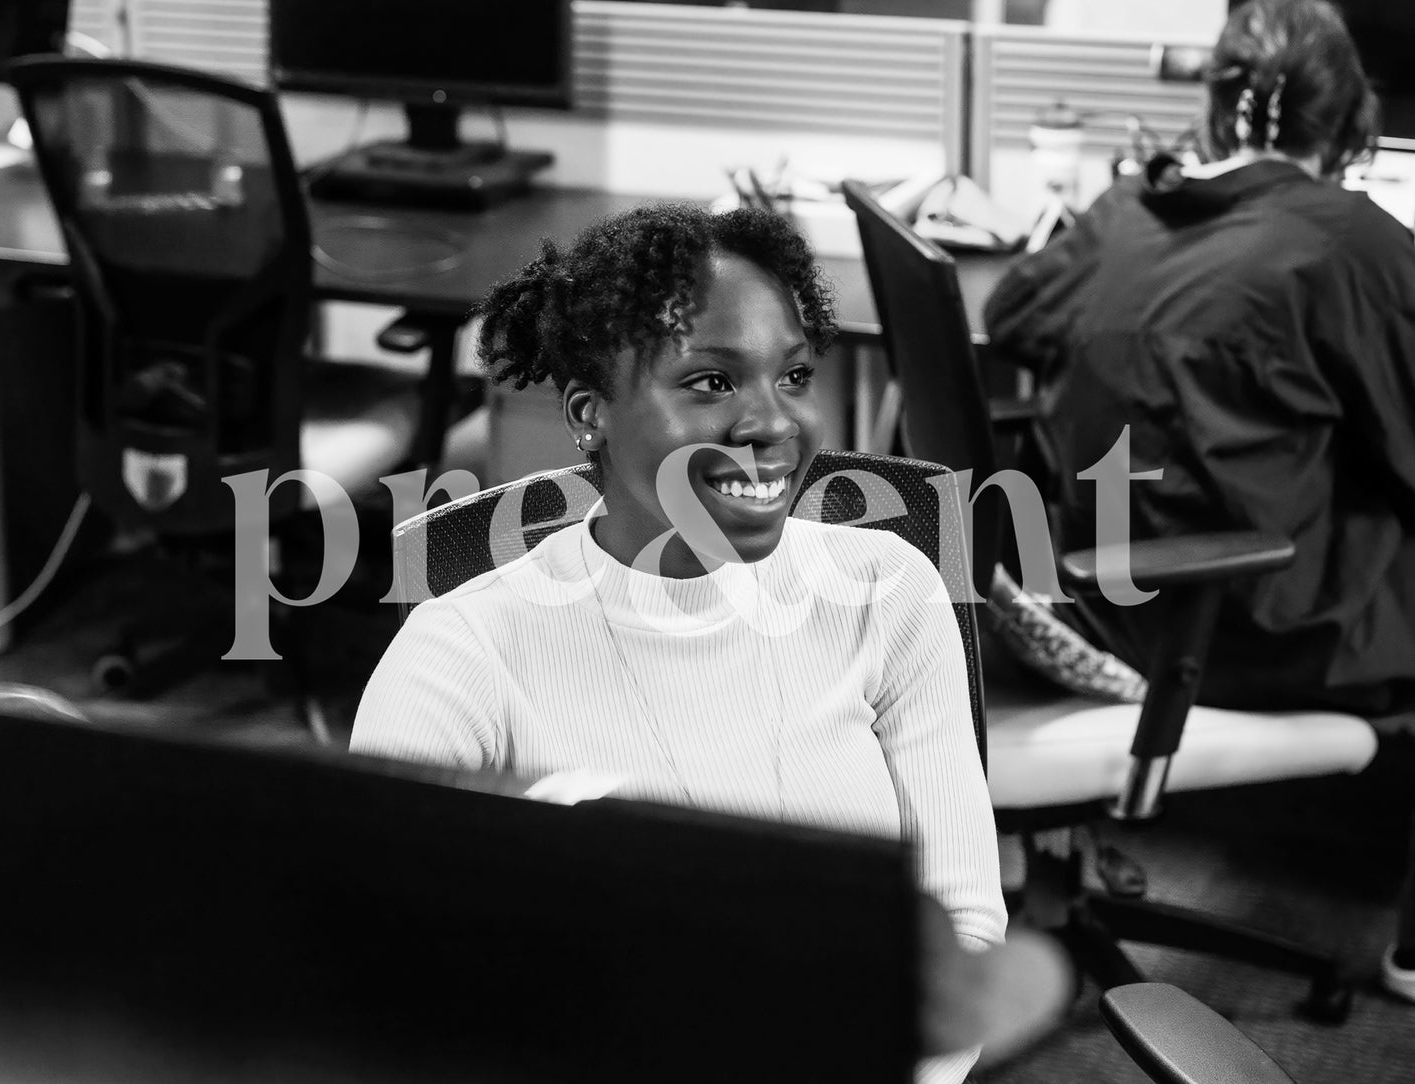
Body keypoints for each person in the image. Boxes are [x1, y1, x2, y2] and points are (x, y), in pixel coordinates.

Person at [352, 204, 1015, 1081]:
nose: (770, 423)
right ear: (589, 413)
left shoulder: (886, 591)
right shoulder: (461, 659)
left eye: (792, 376)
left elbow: (961, 929)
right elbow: (378, 1000)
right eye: (709, 381)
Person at [984, 0, 1415, 1003]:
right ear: (1349, 120)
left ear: (1215, 109)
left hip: (1081, 583)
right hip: (1220, 621)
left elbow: (1009, 313)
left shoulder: (1132, 205)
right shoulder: (1350, 242)